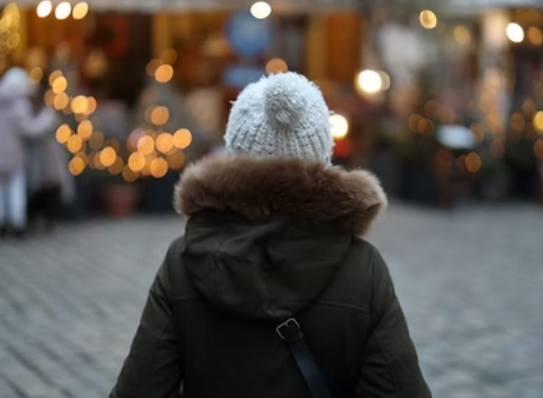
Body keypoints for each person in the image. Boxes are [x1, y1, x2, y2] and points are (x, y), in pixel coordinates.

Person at [111, 72, 431, 398]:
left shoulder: (183, 261)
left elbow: (140, 390)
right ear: (323, 155)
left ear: (234, 153)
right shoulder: (363, 269)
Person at [0, 67, 57, 238]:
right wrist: (47, 118)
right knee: (16, 189)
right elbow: (30, 130)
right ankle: (17, 224)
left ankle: (2, 224)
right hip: (15, 156)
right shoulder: (20, 104)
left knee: (1, 192)